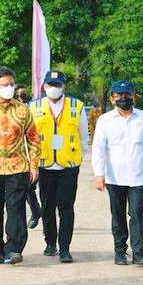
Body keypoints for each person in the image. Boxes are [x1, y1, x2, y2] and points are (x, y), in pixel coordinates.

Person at [92, 80, 143, 265]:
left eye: (127, 95)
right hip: (115, 177)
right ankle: (120, 252)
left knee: (137, 212)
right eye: (119, 95)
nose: (123, 98)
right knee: (118, 214)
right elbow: (98, 148)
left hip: (138, 176)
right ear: (113, 98)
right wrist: (99, 174)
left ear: (133, 96)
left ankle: (139, 252)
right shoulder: (105, 120)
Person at [0, 67, 40, 265]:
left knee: (15, 208)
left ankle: (14, 248)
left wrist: (34, 166)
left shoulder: (23, 109)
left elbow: (33, 139)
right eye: (5, 85)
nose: (9, 88)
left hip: (18, 167)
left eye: (11, 85)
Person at [29, 70, 89, 263]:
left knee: (66, 207)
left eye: (57, 85)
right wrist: (33, 164)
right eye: (50, 85)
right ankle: (50, 243)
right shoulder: (34, 107)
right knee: (47, 207)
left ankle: (65, 248)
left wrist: (78, 158)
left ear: (64, 86)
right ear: (44, 86)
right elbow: (29, 138)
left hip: (68, 166)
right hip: (45, 164)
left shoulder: (76, 106)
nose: (53, 89)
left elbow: (84, 137)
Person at [16, 87, 43, 228]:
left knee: (44, 190)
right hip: (24, 157)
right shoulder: (14, 111)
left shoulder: (36, 109)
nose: (22, 95)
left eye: (23, 93)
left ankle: (41, 213)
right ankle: (36, 211)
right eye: (19, 93)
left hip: (44, 155)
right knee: (28, 188)